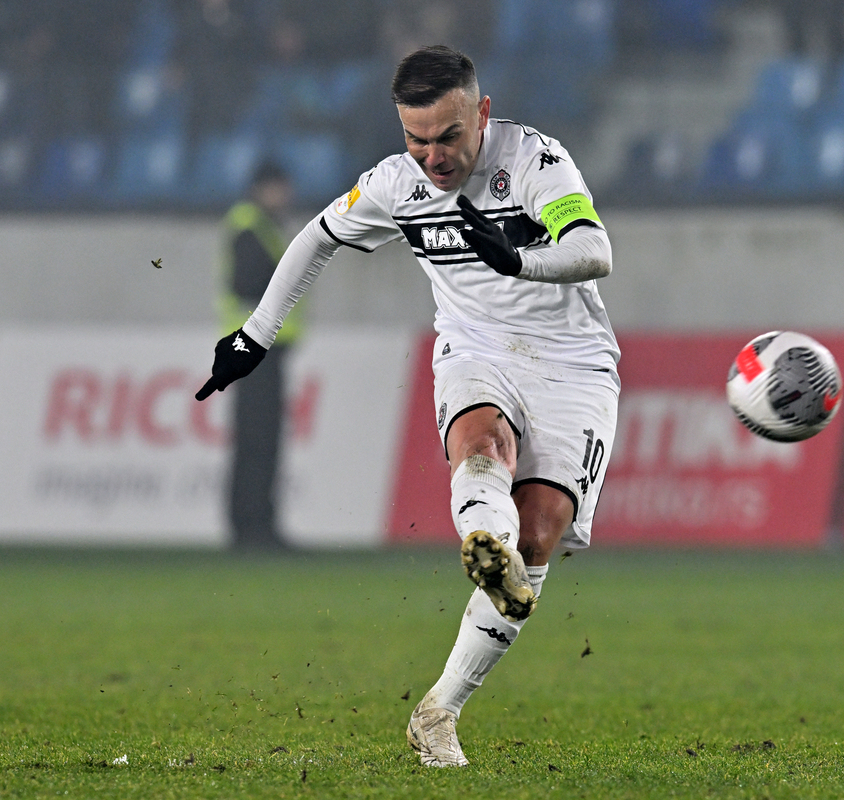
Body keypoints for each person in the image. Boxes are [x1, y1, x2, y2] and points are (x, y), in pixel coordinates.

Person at [194, 45, 619, 767]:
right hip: (474, 350)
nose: (433, 156)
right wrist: (254, 336)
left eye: (448, 136)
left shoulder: (539, 161)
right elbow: (315, 239)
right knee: (483, 450)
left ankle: (438, 709)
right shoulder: (395, 184)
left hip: (571, 361)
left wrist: (519, 259)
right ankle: (488, 545)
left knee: (543, 528)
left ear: (480, 114)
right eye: (415, 139)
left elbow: (594, 249)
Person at [218, 160, 300, 551]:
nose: (283, 195)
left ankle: (258, 524)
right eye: (277, 187)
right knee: (256, 440)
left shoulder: (262, 227)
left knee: (262, 440)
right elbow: (248, 283)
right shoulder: (250, 226)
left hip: (263, 349)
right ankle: (250, 527)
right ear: (261, 188)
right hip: (253, 349)